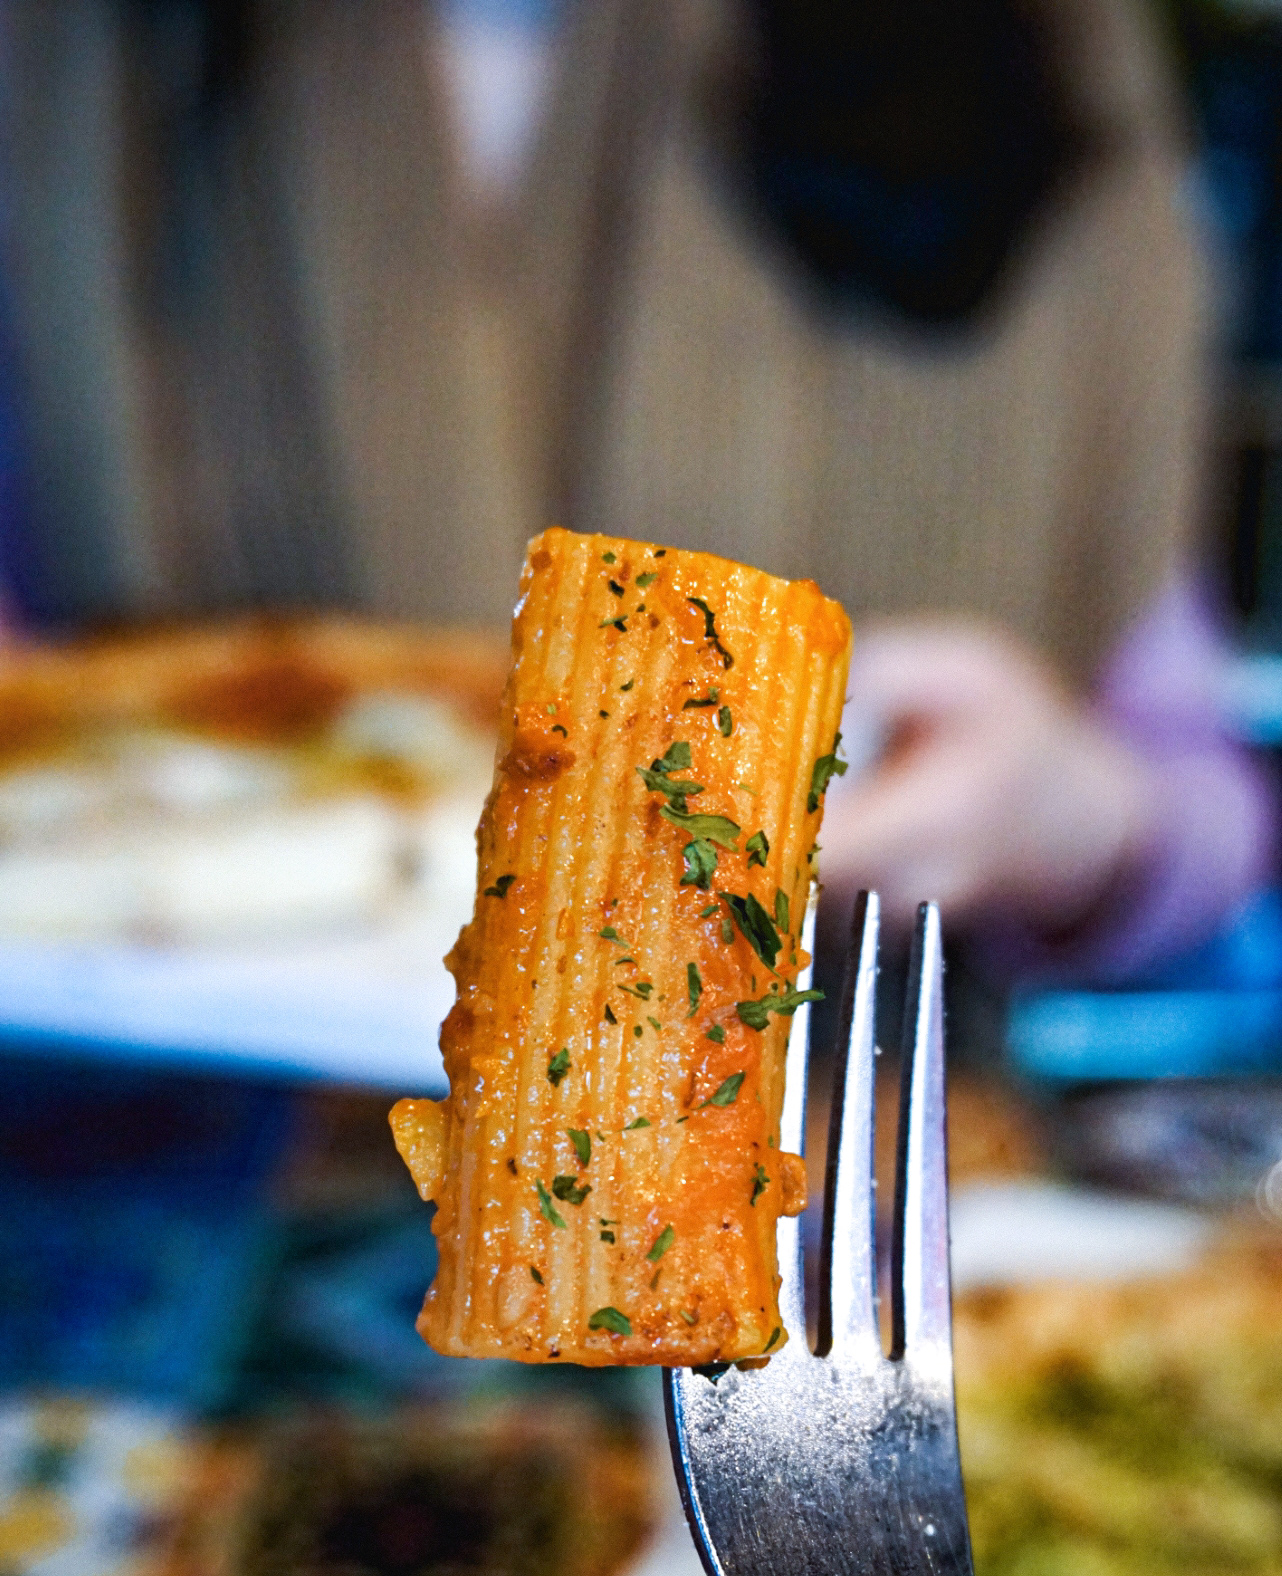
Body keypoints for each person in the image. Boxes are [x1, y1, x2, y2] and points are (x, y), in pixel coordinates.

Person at [0, 0, 1272, 984]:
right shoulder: (76, 71)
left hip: (837, 1169)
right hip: (153, 1187)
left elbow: (1192, 786)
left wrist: (1082, 817)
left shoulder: (1037, 55)